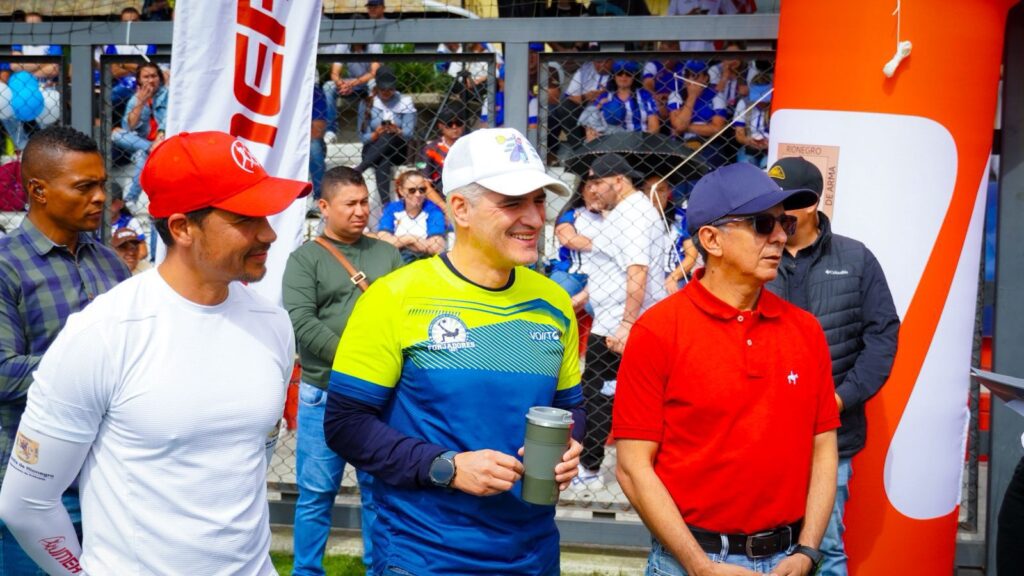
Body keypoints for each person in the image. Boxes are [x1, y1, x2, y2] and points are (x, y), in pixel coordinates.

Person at [0, 131, 310, 574]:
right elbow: (26, 504)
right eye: (245, 218)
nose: (268, 233)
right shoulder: (103, 332)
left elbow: (248, 457)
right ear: (182, 228)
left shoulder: (273, 324)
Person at [323, 128, 585, 575]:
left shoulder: (554, 302)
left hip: (533, 553)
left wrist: (570, 446)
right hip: (425, 554)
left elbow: (568, 408)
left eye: (539, 201)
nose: (534, 218)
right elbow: (346, 425)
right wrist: (447, 467)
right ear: (460, 208)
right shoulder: (394, 297)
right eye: (513, 203)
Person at [613, 162, 839, 576]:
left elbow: (823, 447)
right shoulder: (657, 331)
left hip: (788, 559)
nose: (779, 236)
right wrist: (700, 566)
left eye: (785, 223)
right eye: (762, 224)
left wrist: (807, 551)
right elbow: (632, 467)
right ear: (711, 239)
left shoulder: (805, 330)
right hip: (689, 561)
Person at [0, 126, 129, 575]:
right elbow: (3, 373)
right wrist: (98, 370)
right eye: (84, 186)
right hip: (31, 486)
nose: (100, 197)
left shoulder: (110, 264)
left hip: (107, 481)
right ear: (38, 190)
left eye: (102, 184)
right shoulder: (6, 267)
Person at [765, 157, 900, 576]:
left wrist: (840, 400)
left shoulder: (856, 258)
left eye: (786, 203)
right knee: (760, 545)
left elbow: (882, 336)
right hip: (761, 433)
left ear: (810, 204)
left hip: (833, 435)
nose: (776, 212)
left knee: (824, 548)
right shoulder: (753, 254)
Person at [283, 166, 403, 576]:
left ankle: (379, 570)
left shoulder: (387, 254)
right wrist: (360, 361)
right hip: (324, 392)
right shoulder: (305, 259)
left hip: (379, 396)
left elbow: (403, 315)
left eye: (365, 202)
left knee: (377, 492)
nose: (360, 211)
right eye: (350, 203)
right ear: (324, 206)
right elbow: (302, 322)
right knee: (316, 494)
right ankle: (306, 572)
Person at [576, 153, 669, 488]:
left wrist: (627, 325)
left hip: (621, 324)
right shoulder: (623, 212)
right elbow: (611, 268)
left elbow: (637, 271)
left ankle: (589, 469)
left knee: (598, 395)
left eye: (598, 182)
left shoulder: (635, 215)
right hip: (612, 318)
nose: (592, 189)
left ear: (618, 180)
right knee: (603, 393)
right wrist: (580, 299)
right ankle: (593, 467)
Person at [354, 67, 417, 206]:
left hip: (398, 149)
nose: (387, 93)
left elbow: (409, 134)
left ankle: (360, 169)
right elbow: (362, 137)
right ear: (377, 87)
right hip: (372, 149)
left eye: (390, 89)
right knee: (384, 160)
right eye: (383, 89)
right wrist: (376, 133)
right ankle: (386, 205)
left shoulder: (405, 102)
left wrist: (396, 130)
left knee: (388, 136)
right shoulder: (367, 103)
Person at [111, 62, 167, 203]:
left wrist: (160, 136)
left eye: (154, 76)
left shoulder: (169, 95)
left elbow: (169, 119)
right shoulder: (135, 99)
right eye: (146, 77)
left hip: (165, 141)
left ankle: (131, 199)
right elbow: (128, 127)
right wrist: (140, 103)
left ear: (159, 78)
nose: (150, 80)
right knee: (117, 134)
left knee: (143, 156)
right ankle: (152, 149)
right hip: (143, 144)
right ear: (139, 80)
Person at [376, 169, 446, 263]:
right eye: (412, 190)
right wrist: (412, 239)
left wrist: (398, 242)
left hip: (424, 261)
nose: (418, 194)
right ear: (401, 191)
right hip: (395, 260)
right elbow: (382, 243)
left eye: (422, 190)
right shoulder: (392, 209)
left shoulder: (434, 211)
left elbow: (436, 247)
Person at [579, 60, 660, 142]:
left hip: (639, 140)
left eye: (628, 73)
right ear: (614, 76)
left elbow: (654, 126)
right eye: (619, 73)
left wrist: (643, 141)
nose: (623, 76)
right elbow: (591, 119)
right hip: (610, 141)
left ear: (634, 76)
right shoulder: (605, 96)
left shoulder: (645, 95)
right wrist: (592, 134)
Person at [420, 106, 466, 194]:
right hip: (441, 192)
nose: (454, 127)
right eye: (449, 124)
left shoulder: (470, 145)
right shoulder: (431, 149)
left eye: (459, 123)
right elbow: (425, 183)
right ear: (440, 126)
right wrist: (441, 202)